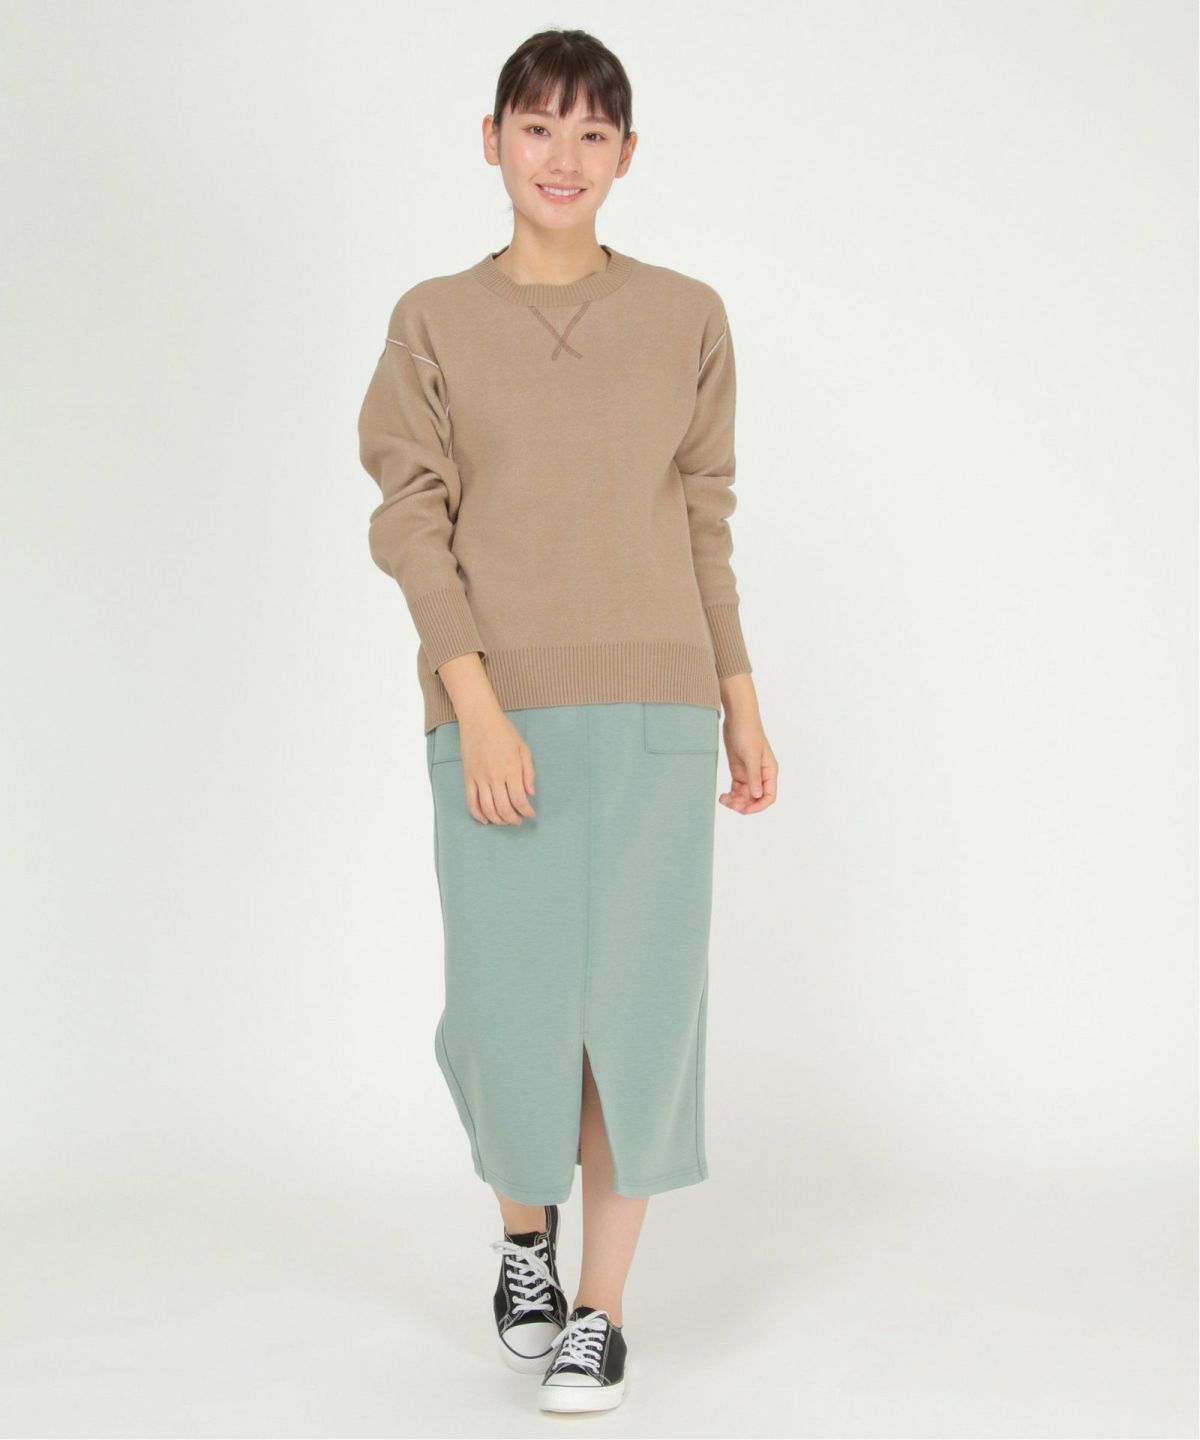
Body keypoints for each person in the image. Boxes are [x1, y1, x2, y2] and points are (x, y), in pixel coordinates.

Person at [356, 26, 778, 1414]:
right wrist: (473, 702)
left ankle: (601, 1311)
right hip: (500, 708)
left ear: (628, 155)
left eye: (593, 133)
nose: (564, 156)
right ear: (492, 140)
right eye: (539, 127)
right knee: (507, 1007)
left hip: (658, 706)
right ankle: (523, 1239)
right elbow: (412, 522)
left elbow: (703, 520)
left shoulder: (688, 315)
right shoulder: (433, 319)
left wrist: (740, 699)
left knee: (636, 1018)